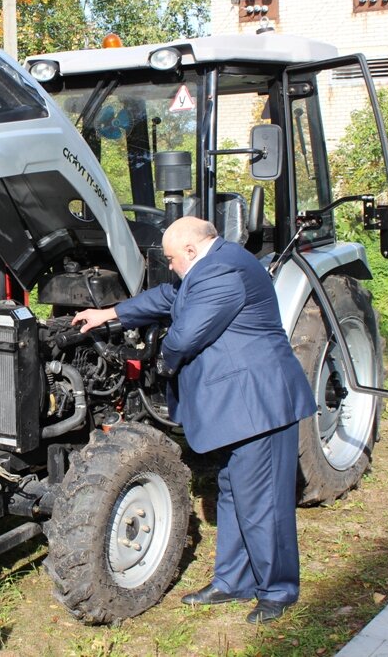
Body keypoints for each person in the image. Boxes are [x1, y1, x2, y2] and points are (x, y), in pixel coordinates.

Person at [73, 216, 316, 624]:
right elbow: (170, 297)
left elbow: (185, 336)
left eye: (170, 257)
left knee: (264, 502)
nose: (168, 265)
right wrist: (110, 312)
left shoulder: (222, 270)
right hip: (236, 407)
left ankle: (278, 589)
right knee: (235, 494)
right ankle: (233, 581)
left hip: (258, 405)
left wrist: (156, 360)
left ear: (190, 249)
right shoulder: (206, 265)